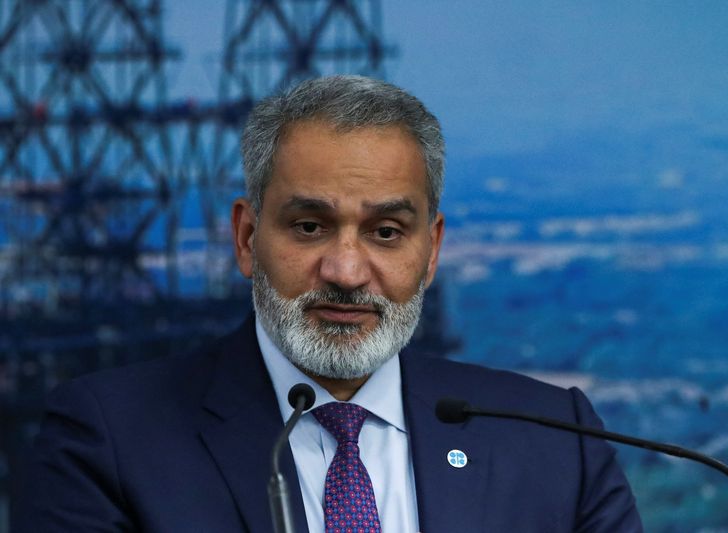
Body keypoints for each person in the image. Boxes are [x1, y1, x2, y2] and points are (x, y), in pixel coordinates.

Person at [17, 76, 642, 532]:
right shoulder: (107, 442)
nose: (345, 271)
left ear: (431, 251)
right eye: (310, 227)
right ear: (246, 237)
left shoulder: (556, 440)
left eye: (386, 233)